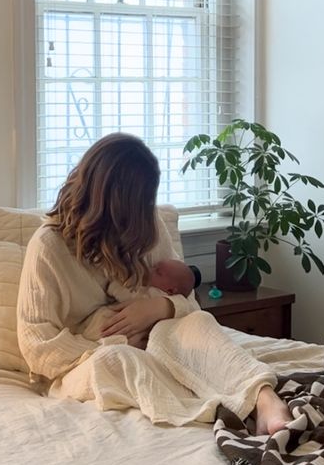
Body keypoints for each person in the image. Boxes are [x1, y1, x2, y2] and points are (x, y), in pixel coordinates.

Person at [16, 133, 293, 435]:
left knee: (199, 323)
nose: (147, 212)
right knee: (119, 360)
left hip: (155, 339)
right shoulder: (49, 247)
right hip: (90, 359)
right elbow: (37, 347)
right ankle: (213, 412)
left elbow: (187, 303)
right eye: (140, 203)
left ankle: (263, 398)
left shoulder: (146, 223)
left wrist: (159, 307)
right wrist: (117, 340)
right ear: (109, 201)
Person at [80, 257, 198, 342]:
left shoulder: (154, 293)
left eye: (158, 272)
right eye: (153, 266)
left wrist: (116, 284)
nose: (149, 269)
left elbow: (122, 293)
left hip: (121, 330)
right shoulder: (156, 288)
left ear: (171, 290)